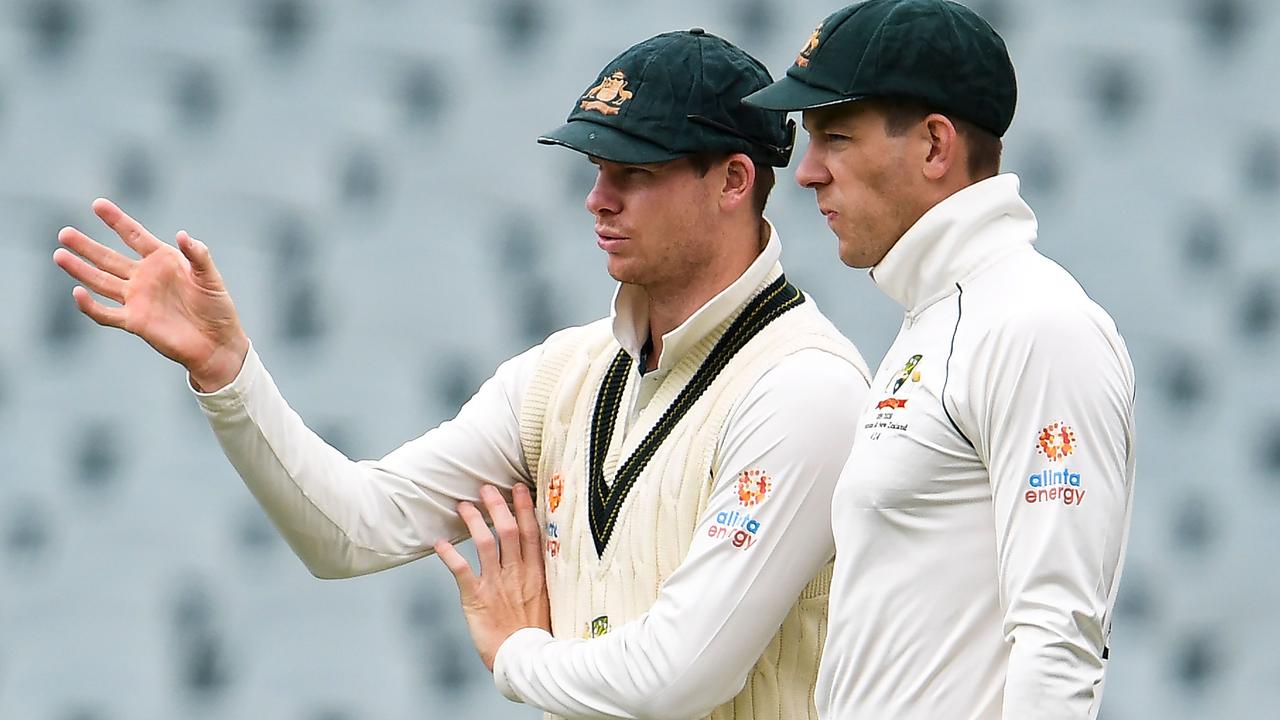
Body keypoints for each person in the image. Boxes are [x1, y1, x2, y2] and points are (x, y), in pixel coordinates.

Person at [52, 28, 872, 720]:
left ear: (733, 180)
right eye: (596, 168)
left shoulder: (805, 390)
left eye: (636, 172)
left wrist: (516, 653)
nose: (597, 199)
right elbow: (350, 530)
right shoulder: (565, 376)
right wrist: (228, 373)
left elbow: (681, 678)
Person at [743, 1, 1136, 718]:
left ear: (933, 147)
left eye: (834, 137)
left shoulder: (1038, 326)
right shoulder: (941, 320)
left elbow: (1059, 640)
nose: (806, 173)